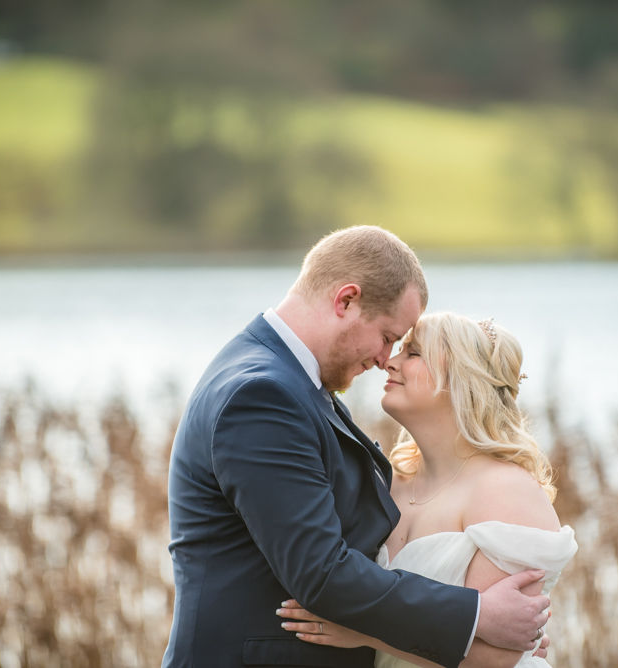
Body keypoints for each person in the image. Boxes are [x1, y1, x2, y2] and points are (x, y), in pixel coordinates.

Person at [162, 226, 553, 667]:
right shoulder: (263, 395)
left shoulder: (295, 385)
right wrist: (476, 616)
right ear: (345, 301)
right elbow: (322, 572)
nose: (387, 358)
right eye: (388, 337)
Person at [276, 312, 577, 667]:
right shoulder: (388, 482)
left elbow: (498, 659)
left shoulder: (506, 491)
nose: (389, 362)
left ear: (463, 378)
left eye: (413, 353)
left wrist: (362, 632)